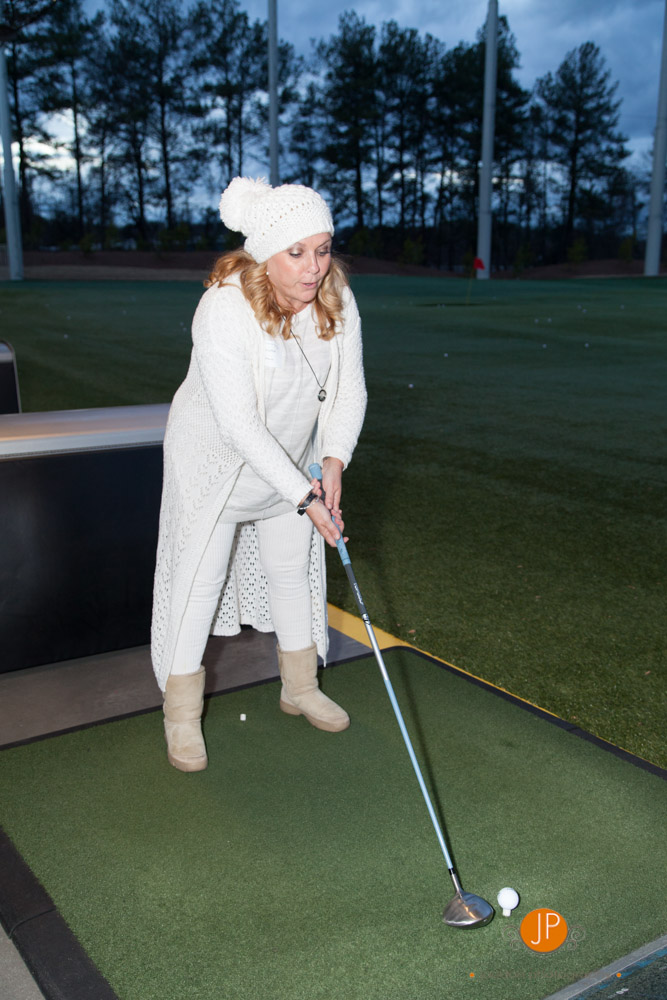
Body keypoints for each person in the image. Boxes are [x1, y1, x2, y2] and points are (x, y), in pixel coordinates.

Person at [151, 176, 367, 772]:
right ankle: (181, 716)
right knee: (201, 582)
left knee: (291, 569)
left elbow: (349, 390)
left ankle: (300, 687)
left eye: (322, 249)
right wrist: (307, 496)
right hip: (216, 465)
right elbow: (239, 426)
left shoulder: (336, 296)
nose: (314, 267)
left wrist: (334, 461)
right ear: (265, 252)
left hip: (292, 461)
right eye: (296, 252)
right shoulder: (224, 307)